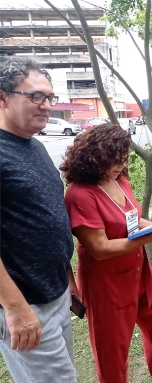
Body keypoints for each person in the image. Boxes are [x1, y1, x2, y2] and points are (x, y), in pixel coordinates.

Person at [61, 124, 152, 383]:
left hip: (139, 271)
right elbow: (100, 249)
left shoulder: (120, 181)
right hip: (106, 283)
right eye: (114, 161)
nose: (120, 166)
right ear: (95, 158)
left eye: (123, 160)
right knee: (112, 351)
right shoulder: (80, 194)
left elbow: (132, 221)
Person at [0, 58, 78, 382]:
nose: (46, 106)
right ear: (2, 97)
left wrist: (68, 278)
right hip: (27, 304)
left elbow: (49, 217)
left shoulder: (36, 147)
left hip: (56, 294)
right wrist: (16, 309)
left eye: (50, 98)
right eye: (35, 97)